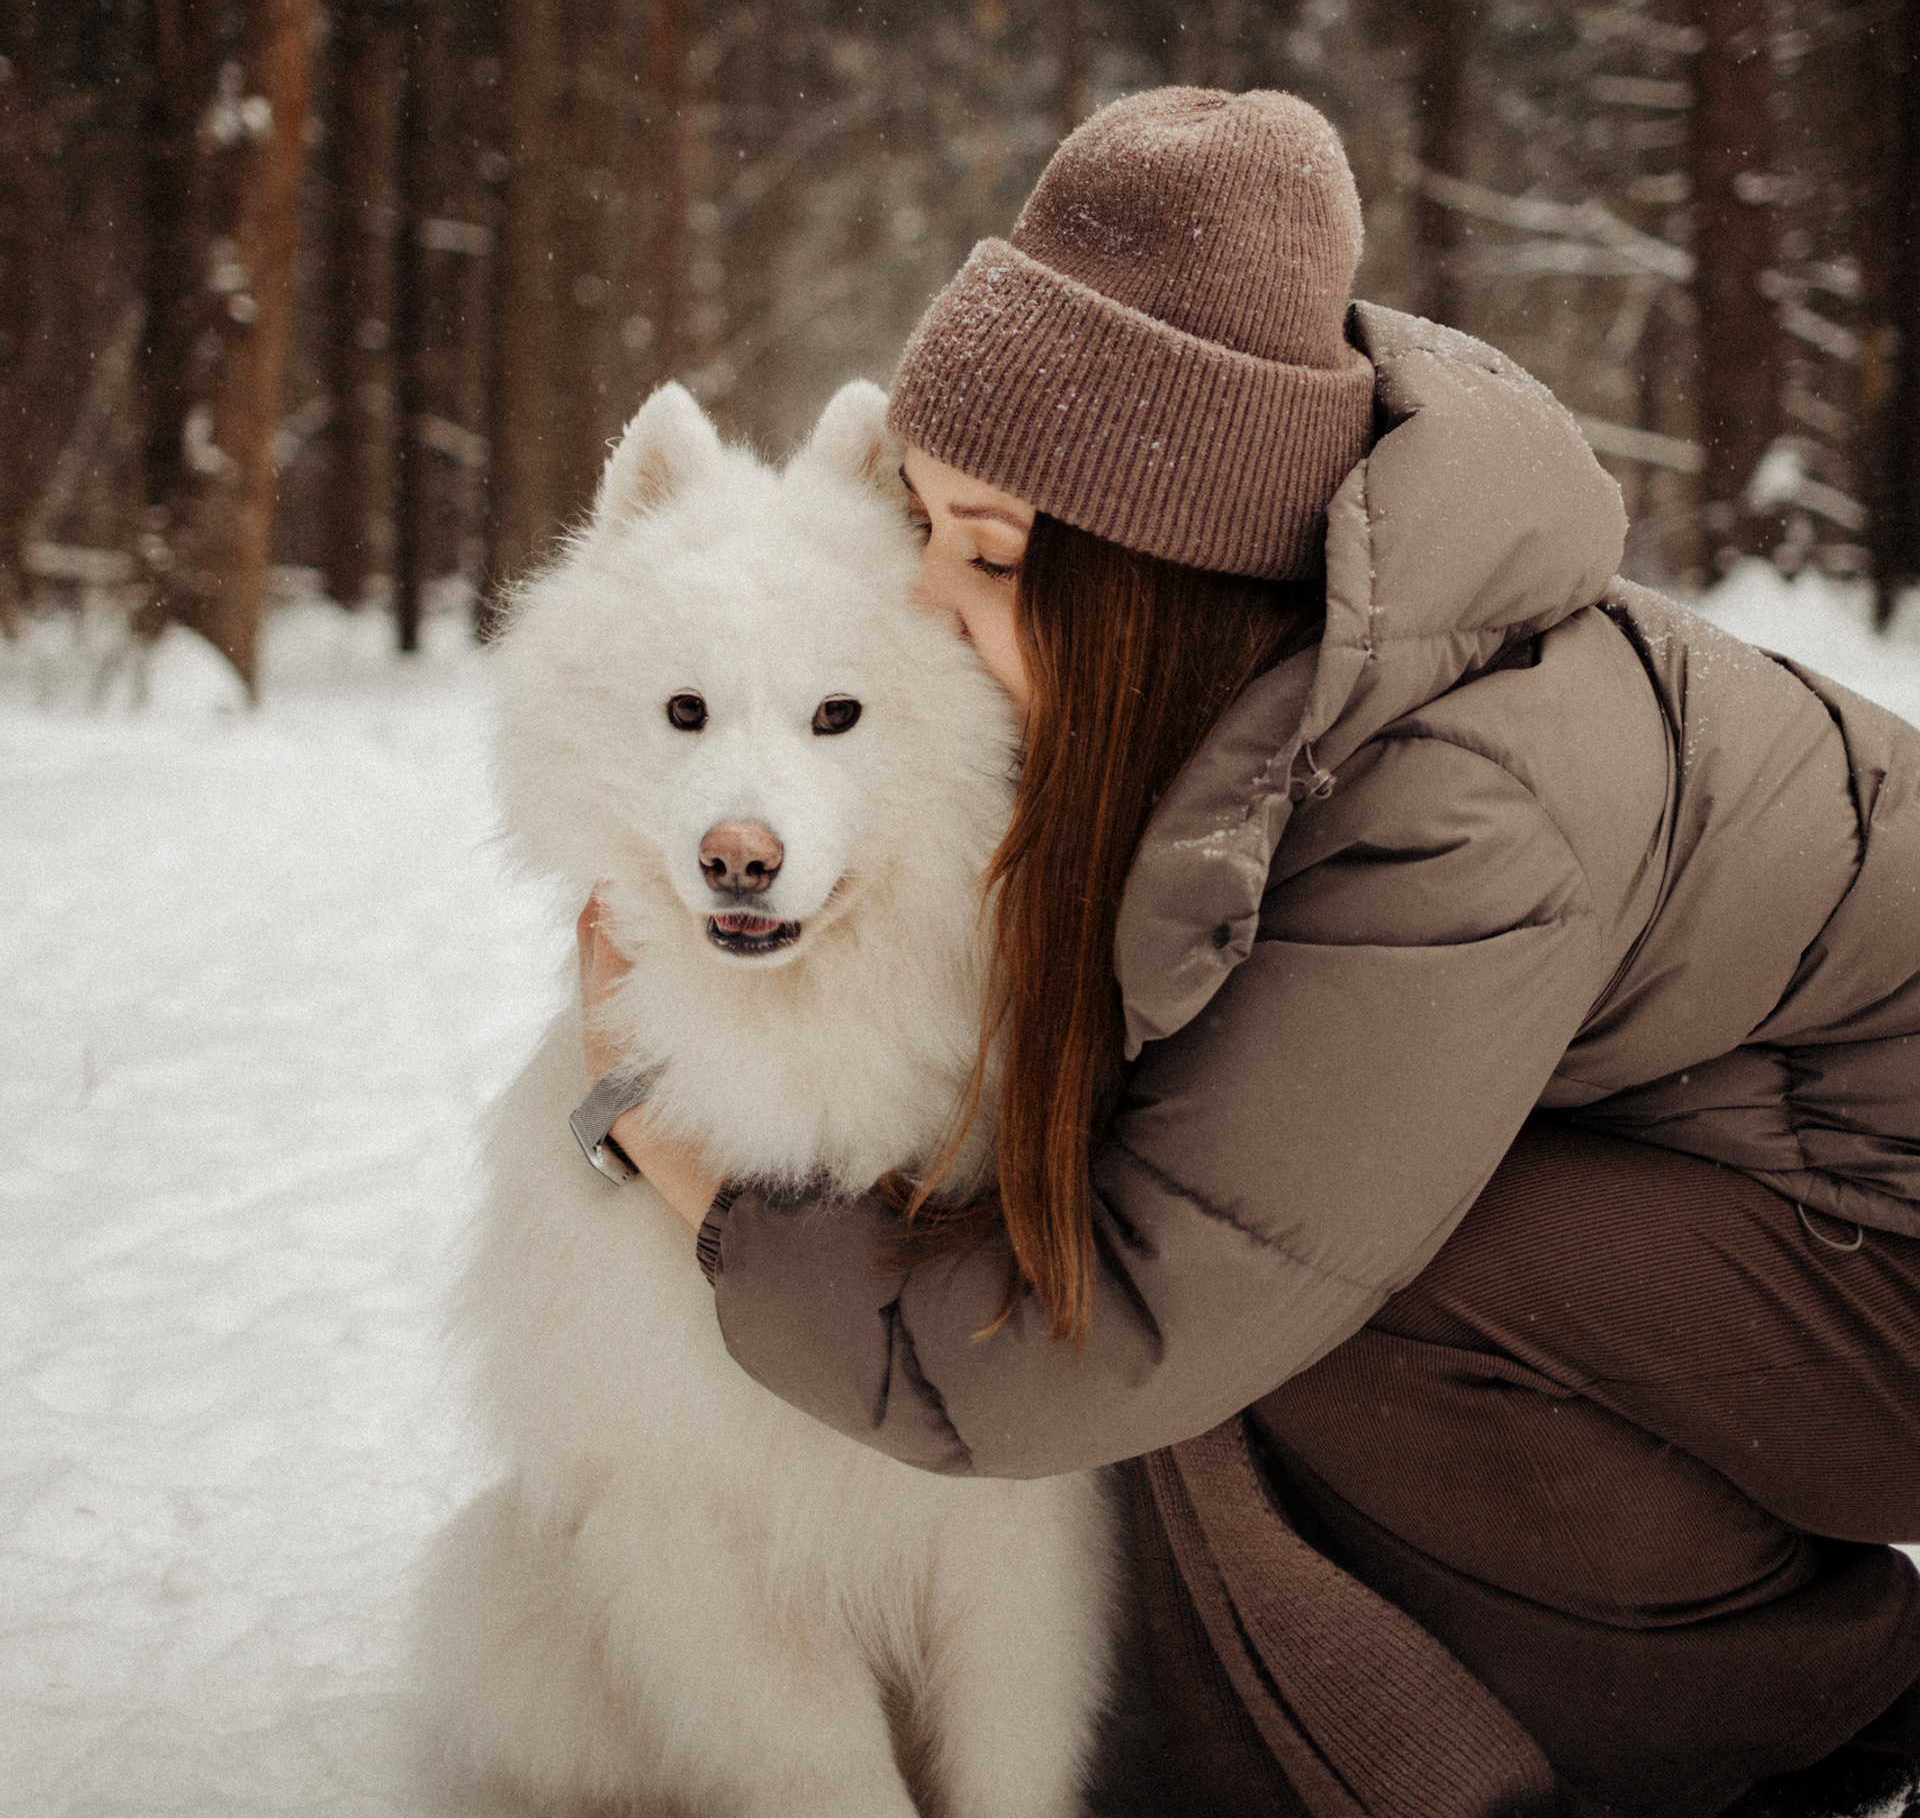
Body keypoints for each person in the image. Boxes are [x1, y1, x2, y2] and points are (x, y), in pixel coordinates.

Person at [572, 88, 1920, 1818]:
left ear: (1158, 585)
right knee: (1288, 1234)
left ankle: (1793, 1723)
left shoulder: (1457, 807)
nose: (919, 606)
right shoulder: (1302, 670)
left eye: (984, 556)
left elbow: (1111, 1335)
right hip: (1795, 1197)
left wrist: (667, 1135)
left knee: (1325, 1281)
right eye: (923, 528)